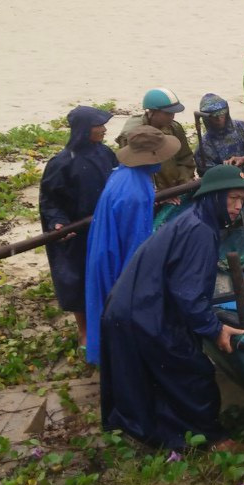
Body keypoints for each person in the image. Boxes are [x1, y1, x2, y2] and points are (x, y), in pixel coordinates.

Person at [98, 164, 244, 451]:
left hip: (128, 306)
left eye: (242, 200)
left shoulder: (192, 218)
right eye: (232, 198)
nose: (237, 207)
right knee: (194, 373)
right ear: (214, 197)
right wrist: (214, 328)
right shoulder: (201, 232)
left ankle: (150, 432)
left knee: (147, 377)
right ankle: (209, 438)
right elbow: (189, 295)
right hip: (144, 312)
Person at [83, 125, 181, 366]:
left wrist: (156, 200)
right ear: (153, 157)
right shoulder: (136, 193)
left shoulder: (123, 173)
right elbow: (136, 247)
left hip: (102, 250)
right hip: (118, 256)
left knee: (103, 309)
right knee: (123, 312)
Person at [38, 105, 117, 348]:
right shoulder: (61, 163)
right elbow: (49, 200)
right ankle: (84, 330)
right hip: (76, 231)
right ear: (84, 130)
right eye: (98, 126)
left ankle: (108, 320)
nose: (104, 130)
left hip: (104, 225)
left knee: (107, 273)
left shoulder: (106, 154)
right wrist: (57, 222)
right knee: (77, 278)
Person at [116, 87, 197, 191]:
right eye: (167, 113)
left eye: (173, 113)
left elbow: (185, 159)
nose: (172, 117)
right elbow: (134, 170)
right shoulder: (132, 135)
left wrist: (183, 182)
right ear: (152, 112)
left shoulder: (174, 128)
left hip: (175, 188)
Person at [193, 93, 244, 177]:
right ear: (206, 118)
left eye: (222, 113)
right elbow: (212, 176)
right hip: (227, 185)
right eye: (214, 115)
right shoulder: (204, 146)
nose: (219, 118)